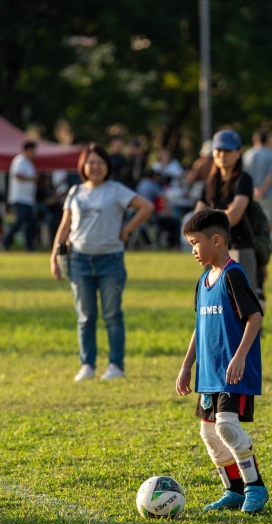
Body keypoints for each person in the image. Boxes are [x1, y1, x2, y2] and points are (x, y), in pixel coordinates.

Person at [175, 208, 268, 514]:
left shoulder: (233, 275)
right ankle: (234, 491)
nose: (192, 250)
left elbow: (255, 317)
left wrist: (240, 356)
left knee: (227, 427)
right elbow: (199, 327)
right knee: (209, 434)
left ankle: (255, 487)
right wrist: (186, 366)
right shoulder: (203, 280)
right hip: (209, 373)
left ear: (216, 240)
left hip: (232, 372)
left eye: (195, 243)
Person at [49, 143, 154, 382]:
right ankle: (87, 365)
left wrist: (127, 229)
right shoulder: (75, 192)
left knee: (112, 315)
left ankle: (116, 366)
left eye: (100, 162)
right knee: (85, 316)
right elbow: (64, 227)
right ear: (83, 166)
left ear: (107, 166)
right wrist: (54, 257)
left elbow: (146, 207)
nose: (95, 167)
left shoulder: (116, 190)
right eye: (91, 163)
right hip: (79, 261)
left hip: (110, 260)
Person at [193, 130, 259, 294]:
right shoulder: (210, 182)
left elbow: (233, 217)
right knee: (214, 298)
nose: (222, 155)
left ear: (238, 153)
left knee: (242, 300)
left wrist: (207, 223)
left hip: (240, 248)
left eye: (228, 150)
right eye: (219, 150)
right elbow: (195, 221)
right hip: (213, 250)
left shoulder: (243, 180)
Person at [242, 130, 272, 228]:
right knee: (269, 220)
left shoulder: (247, 155)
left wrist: (254, 189)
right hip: (269, 193)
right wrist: (262, 189)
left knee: (252, 220)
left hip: (251, 193)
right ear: (266, 140)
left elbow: (244, 174)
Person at [3, 141, 38, 251]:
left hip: (28, 199)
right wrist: (31, 179)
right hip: (19, 198)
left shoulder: (29, 163)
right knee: (19, 221)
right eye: (33, 151)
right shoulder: (19, 160)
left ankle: (29, 246)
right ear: (27, 150)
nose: (34, 153)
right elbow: (17, 174)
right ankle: (5, 242)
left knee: (30, 223)